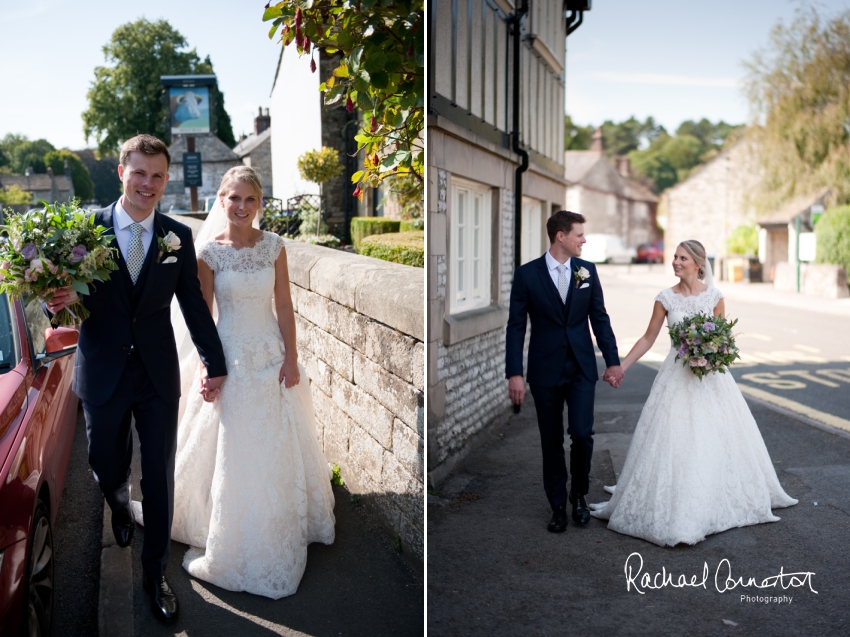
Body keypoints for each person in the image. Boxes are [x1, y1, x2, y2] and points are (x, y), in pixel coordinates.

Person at [46, 134, 227, 624]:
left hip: (155, 374)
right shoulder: (83, 231)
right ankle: (118, 503)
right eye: (139, 172)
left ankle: (155, 576)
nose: (148, 183)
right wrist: (54, 302)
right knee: (105, 462)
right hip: (102, 370)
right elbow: (58, 297)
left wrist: (216, 362)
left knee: (161, 475)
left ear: (166, 181)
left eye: (157, 176)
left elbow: (193, 305)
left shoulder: (176, 238)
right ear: (122, 171)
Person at [132, 165, 335, 599]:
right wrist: (209, 367)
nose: (242, 207)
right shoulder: (208, 255)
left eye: (250, 200)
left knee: (275, 440)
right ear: (220, 201)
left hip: (270, 355)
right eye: (234, 198)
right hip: (230, 357)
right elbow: (202, 315)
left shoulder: (275, 247)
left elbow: (283, 304)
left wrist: (293, 357)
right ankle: (231, 529)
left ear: (260, 204)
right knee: (233, 441)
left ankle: (277, 522)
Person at [590, 240, 798, 546]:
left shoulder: (715, 297)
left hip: (711, 379)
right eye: (674, 257)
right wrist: (622, 366)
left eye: (682, 258)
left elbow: (723, 339)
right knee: (674, 435)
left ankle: (710, 494)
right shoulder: (665, 299)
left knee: (713, 434)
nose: (675, 262)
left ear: (698, 263)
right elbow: (648, 338)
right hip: (675, 376)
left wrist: (710, 353)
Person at [505, 210, 623, 533]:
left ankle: (579, 496)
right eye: (579, 234)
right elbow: (516, 327)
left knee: (582, 434)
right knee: (551, 439)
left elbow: (600, 318)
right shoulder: (527, 275)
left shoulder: (587, 271)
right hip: (545, 369)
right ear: (561, 236)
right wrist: (514, 372)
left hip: (582, 367)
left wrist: (612, 360)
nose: (584, 240)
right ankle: (557, 505)